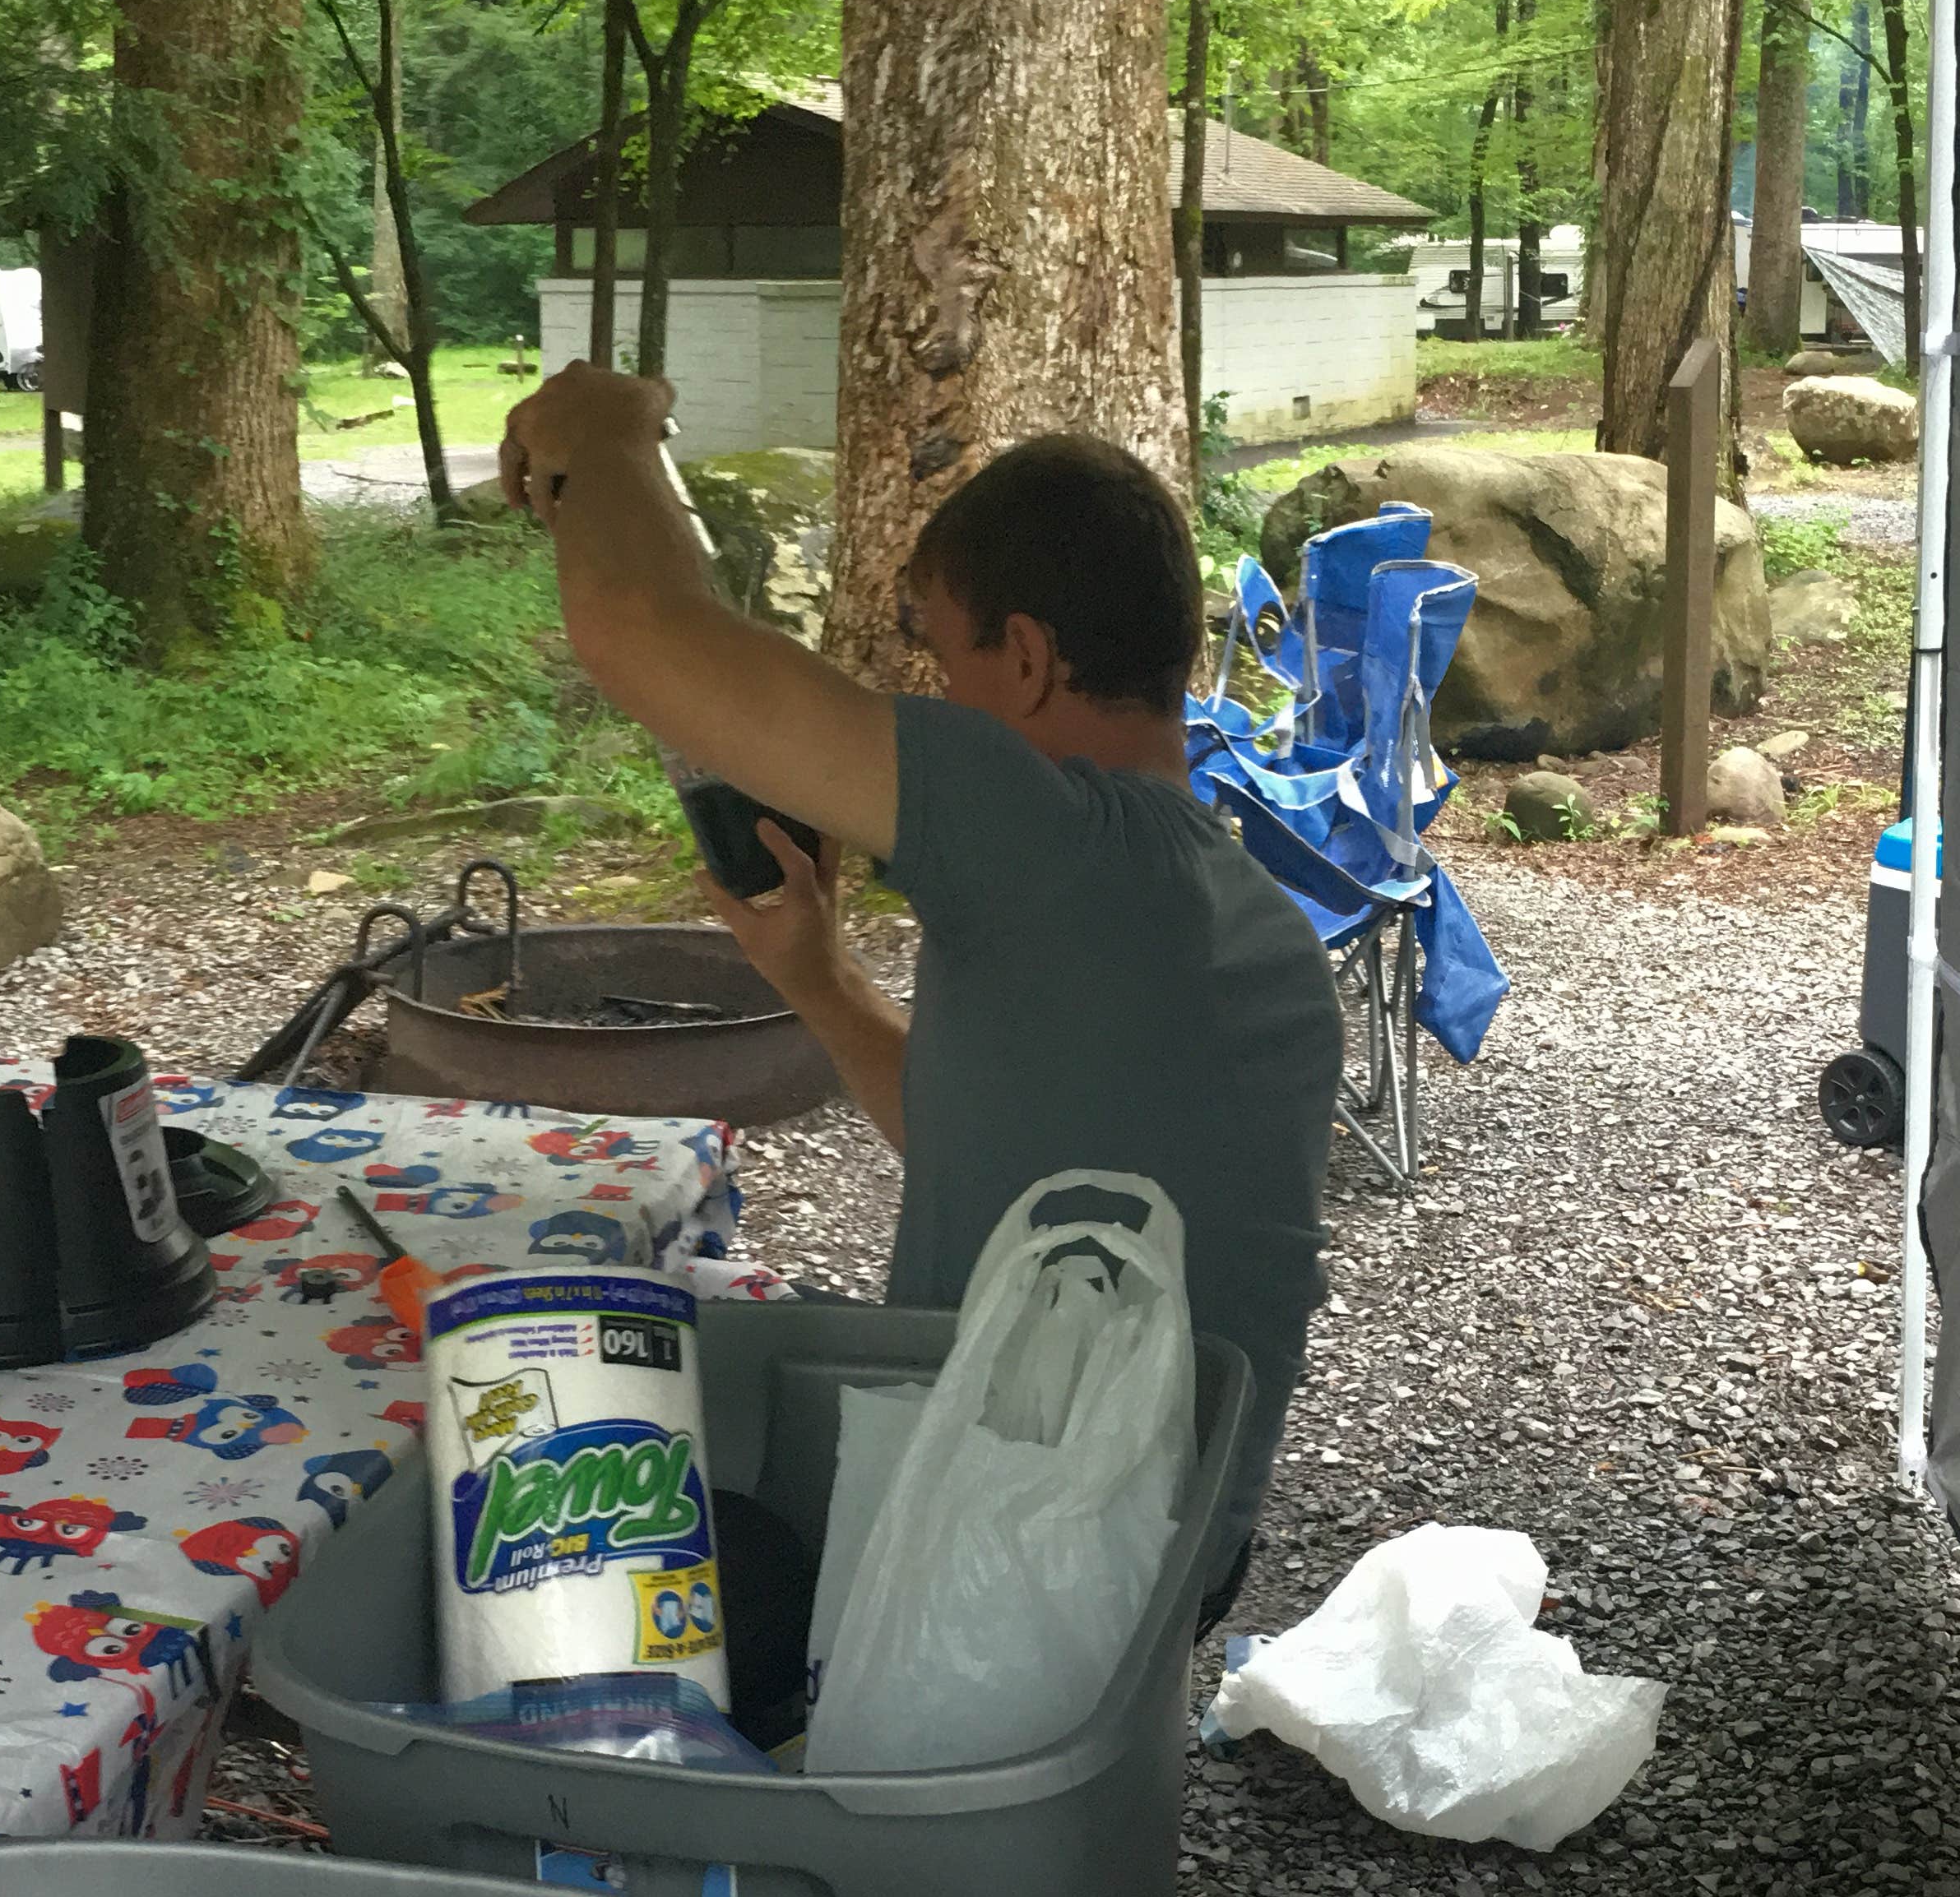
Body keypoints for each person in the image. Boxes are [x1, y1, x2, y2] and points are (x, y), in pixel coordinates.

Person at [488, 363, 1333, 1564]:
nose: (935, 701)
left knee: (562, 1492)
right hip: (1156, 1554)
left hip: (1000, 1561)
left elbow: (638, 633)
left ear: (1028, 659)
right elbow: (989, 1149)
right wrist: (818, 980)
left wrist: (606, 431)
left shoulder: (1050, 835)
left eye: (945, 662)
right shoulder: (1242, 922)